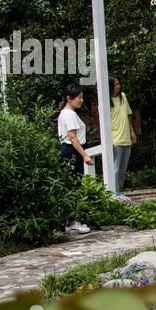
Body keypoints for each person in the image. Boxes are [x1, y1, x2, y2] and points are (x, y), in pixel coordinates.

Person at [57, 83, 92, 235]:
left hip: (69, 150)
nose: (81, 100)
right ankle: (72, 222)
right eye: (79, 97)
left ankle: (70, 220)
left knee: (72, 186)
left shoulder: (65, 113)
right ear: (69, 98)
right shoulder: (69, 114)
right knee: (73, 186)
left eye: (82, 97)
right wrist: (84, 154)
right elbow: (72, 136)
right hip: (71, 151)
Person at [108, 76, 139, 194]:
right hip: (115, 138)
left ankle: (119, 190)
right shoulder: (106, 101)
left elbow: (128, 115)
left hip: (126, 137)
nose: (118, 87)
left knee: (123, 169)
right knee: (115, 168)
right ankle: (115, 193)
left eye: (119, 84)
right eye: (115, 85)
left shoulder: (123, 97)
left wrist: (132, 132)